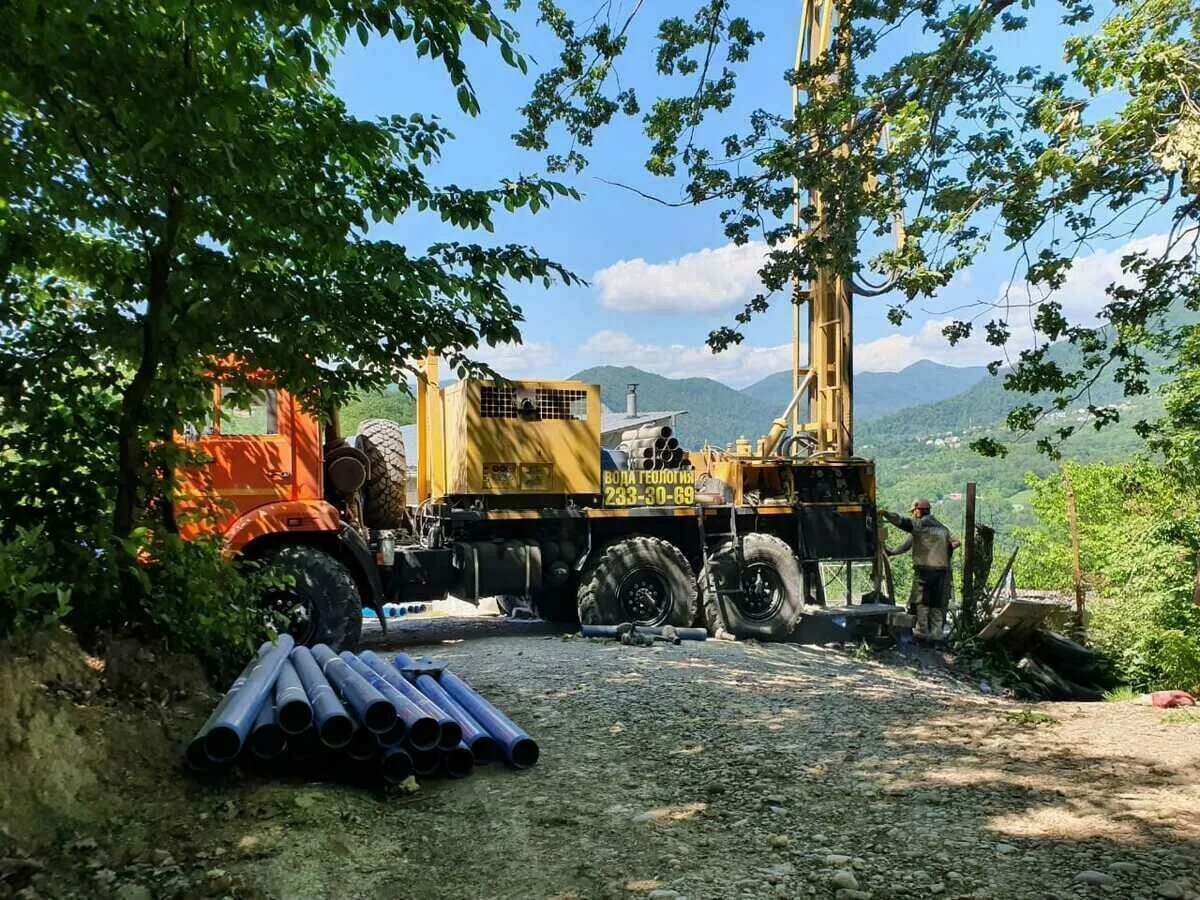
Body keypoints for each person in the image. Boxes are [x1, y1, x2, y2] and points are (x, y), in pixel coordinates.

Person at [882, 498, 960, 641]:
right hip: (942, 571)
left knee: (921, 601)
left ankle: (922, 631)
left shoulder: (919, 526)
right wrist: (942, 553)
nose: (913, 514)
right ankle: (936, 634)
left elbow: (901, 521)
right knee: (936, 601)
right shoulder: (943, 528)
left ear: (918, 510)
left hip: (924, 570)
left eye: (913, 512)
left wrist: (885, 514)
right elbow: (956, 543)